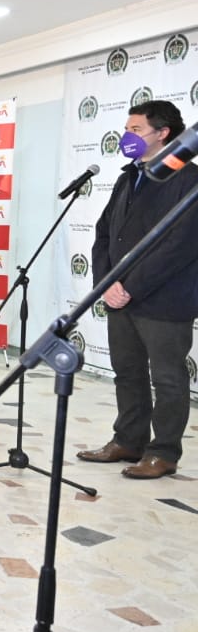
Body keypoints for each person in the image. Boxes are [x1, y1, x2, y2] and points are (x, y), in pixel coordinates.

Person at [78, 100, 198, 479]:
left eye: (136, 130)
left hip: (164, 299)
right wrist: (106, 284)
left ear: (163, 133)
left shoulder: (189, 180)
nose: (127, 137)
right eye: (127, 130)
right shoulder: (129, 176)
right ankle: (128, 440)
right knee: (126, 371)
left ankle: (163, 452)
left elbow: (180, 246)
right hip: (118, 297)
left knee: (167, 378)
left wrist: (130, 286)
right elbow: (103, 234)